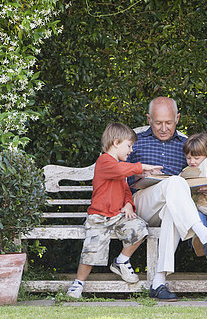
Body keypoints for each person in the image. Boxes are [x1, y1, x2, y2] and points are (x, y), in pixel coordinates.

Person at [127, 97, 207, 301]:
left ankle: (158, 283)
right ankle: (205, 236)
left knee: (173, 208)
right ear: (149, 119)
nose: (164, 128)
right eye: (158, 122)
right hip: (140, 204)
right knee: (176, 182)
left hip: (171, 207)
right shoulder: (135, 142)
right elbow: (116, 174)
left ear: (177, 118)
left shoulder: (187, 145)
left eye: (169, 122)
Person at [66, 123, 163, 299]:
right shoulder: (104, 161)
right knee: (91, 251)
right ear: (116, 142)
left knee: (140, 228)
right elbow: (119, 170)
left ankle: (121, 260)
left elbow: (126, 190)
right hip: (99, 217)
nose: (131, 150)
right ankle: (78, 282)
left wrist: (128, 204)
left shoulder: (121, 168)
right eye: (129, 146)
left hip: (118, 216)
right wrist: (142, 167)